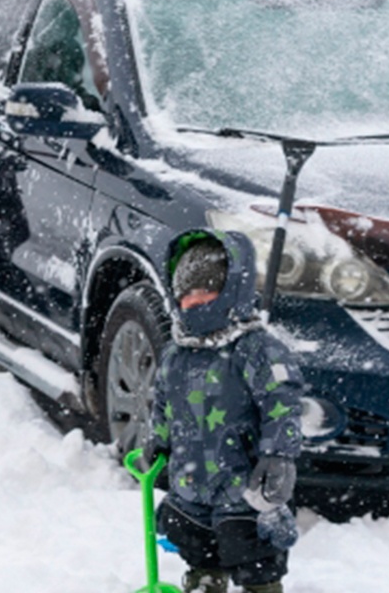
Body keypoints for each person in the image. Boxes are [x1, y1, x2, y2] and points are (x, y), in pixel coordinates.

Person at [144, 229, 305, 593]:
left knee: (252, 552)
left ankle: (261, 589)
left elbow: (283, 404)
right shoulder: (176, 354)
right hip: (191, 485)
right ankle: (204, 581)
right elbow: (165, 404)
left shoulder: (255, 350)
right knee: (195, 541)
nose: (195, 301)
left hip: (245, 487)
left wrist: (278, 455)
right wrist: (159, 439)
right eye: (186, 294)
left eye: (206, 291)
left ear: (233, 291)